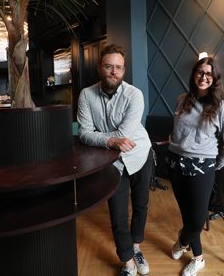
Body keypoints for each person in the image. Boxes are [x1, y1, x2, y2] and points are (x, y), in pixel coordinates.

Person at [77, 44, 153, 276]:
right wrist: (111, 142)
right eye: (109, 66)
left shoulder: (135, 95)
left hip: (140, 154)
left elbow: (122, 134)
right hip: (112, 162)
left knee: (141, 205)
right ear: (100, 67)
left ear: (124, 71)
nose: (113, 72)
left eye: (118, 68)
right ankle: (128, 262)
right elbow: (83, 134)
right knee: (117, 213)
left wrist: (99, 137)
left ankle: (136, 247)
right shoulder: (86, 95)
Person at [167, 56, 224, 276]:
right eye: (200, 72)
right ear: (194, 75)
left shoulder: (220, 107)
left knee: (198, 220)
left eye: (209, 74)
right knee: (187, 214)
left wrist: (216, 164)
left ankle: (181, 242)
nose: (203, 77)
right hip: (175, 163)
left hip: (202, 167)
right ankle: (198, 259)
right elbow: (178, 131)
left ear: (215, 78)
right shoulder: (182, 99)